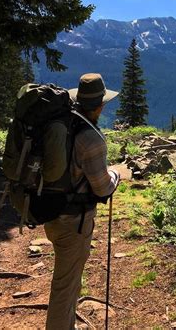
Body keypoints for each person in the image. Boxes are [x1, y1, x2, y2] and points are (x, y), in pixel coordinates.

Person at [44, 73, 120, 330]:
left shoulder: (62, 125)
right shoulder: (90, 138)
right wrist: (116, 175)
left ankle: (67, 323)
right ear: (100, 106)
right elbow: (102, 188)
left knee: (69, 278)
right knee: (65, 285)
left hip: (51, 212)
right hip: (74, 221)